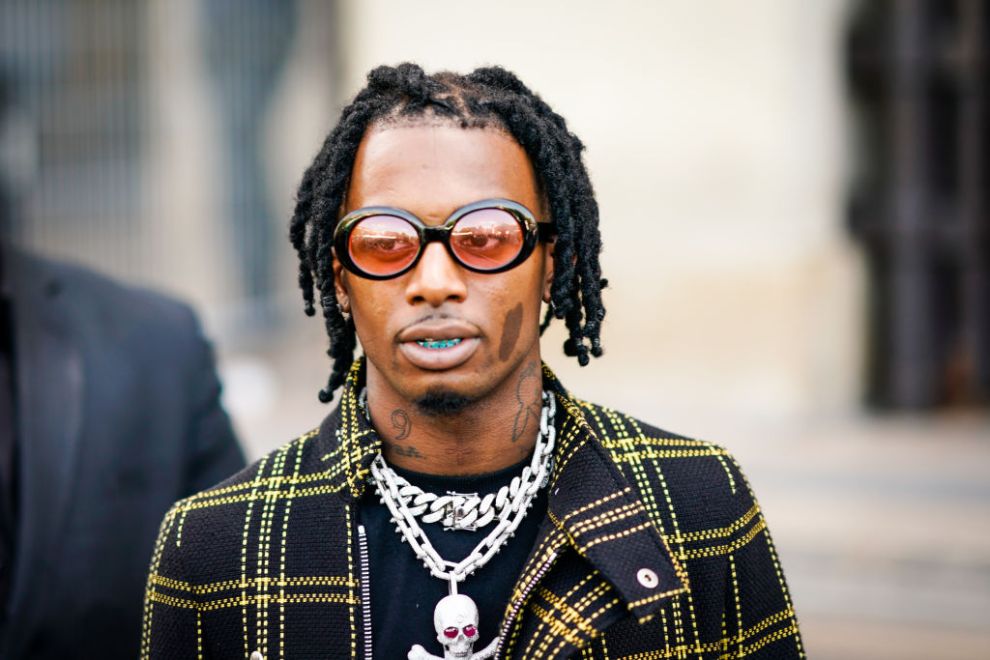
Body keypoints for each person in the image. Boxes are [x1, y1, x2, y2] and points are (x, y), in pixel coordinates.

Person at [142, 64, 804, 659]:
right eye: (384, 242)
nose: (435, 281)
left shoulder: (698, 503)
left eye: (486, 238)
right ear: (340, 279)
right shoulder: (215, 549)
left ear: (553, 262)